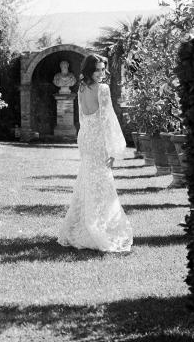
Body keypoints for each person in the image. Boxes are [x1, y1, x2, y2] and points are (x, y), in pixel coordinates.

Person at [57, 54, 133, 252]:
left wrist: (85, 137)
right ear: (89, 70)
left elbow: (83, 117)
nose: (101, 73)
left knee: (88, 179)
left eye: (103, 69)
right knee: (101, 180)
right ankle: (97, 227)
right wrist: (114, 148)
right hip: (97, 140)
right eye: (97, 69)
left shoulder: (81, 88)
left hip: (86, 138)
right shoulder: (103, 89)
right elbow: (109, 120)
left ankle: (82, 226)